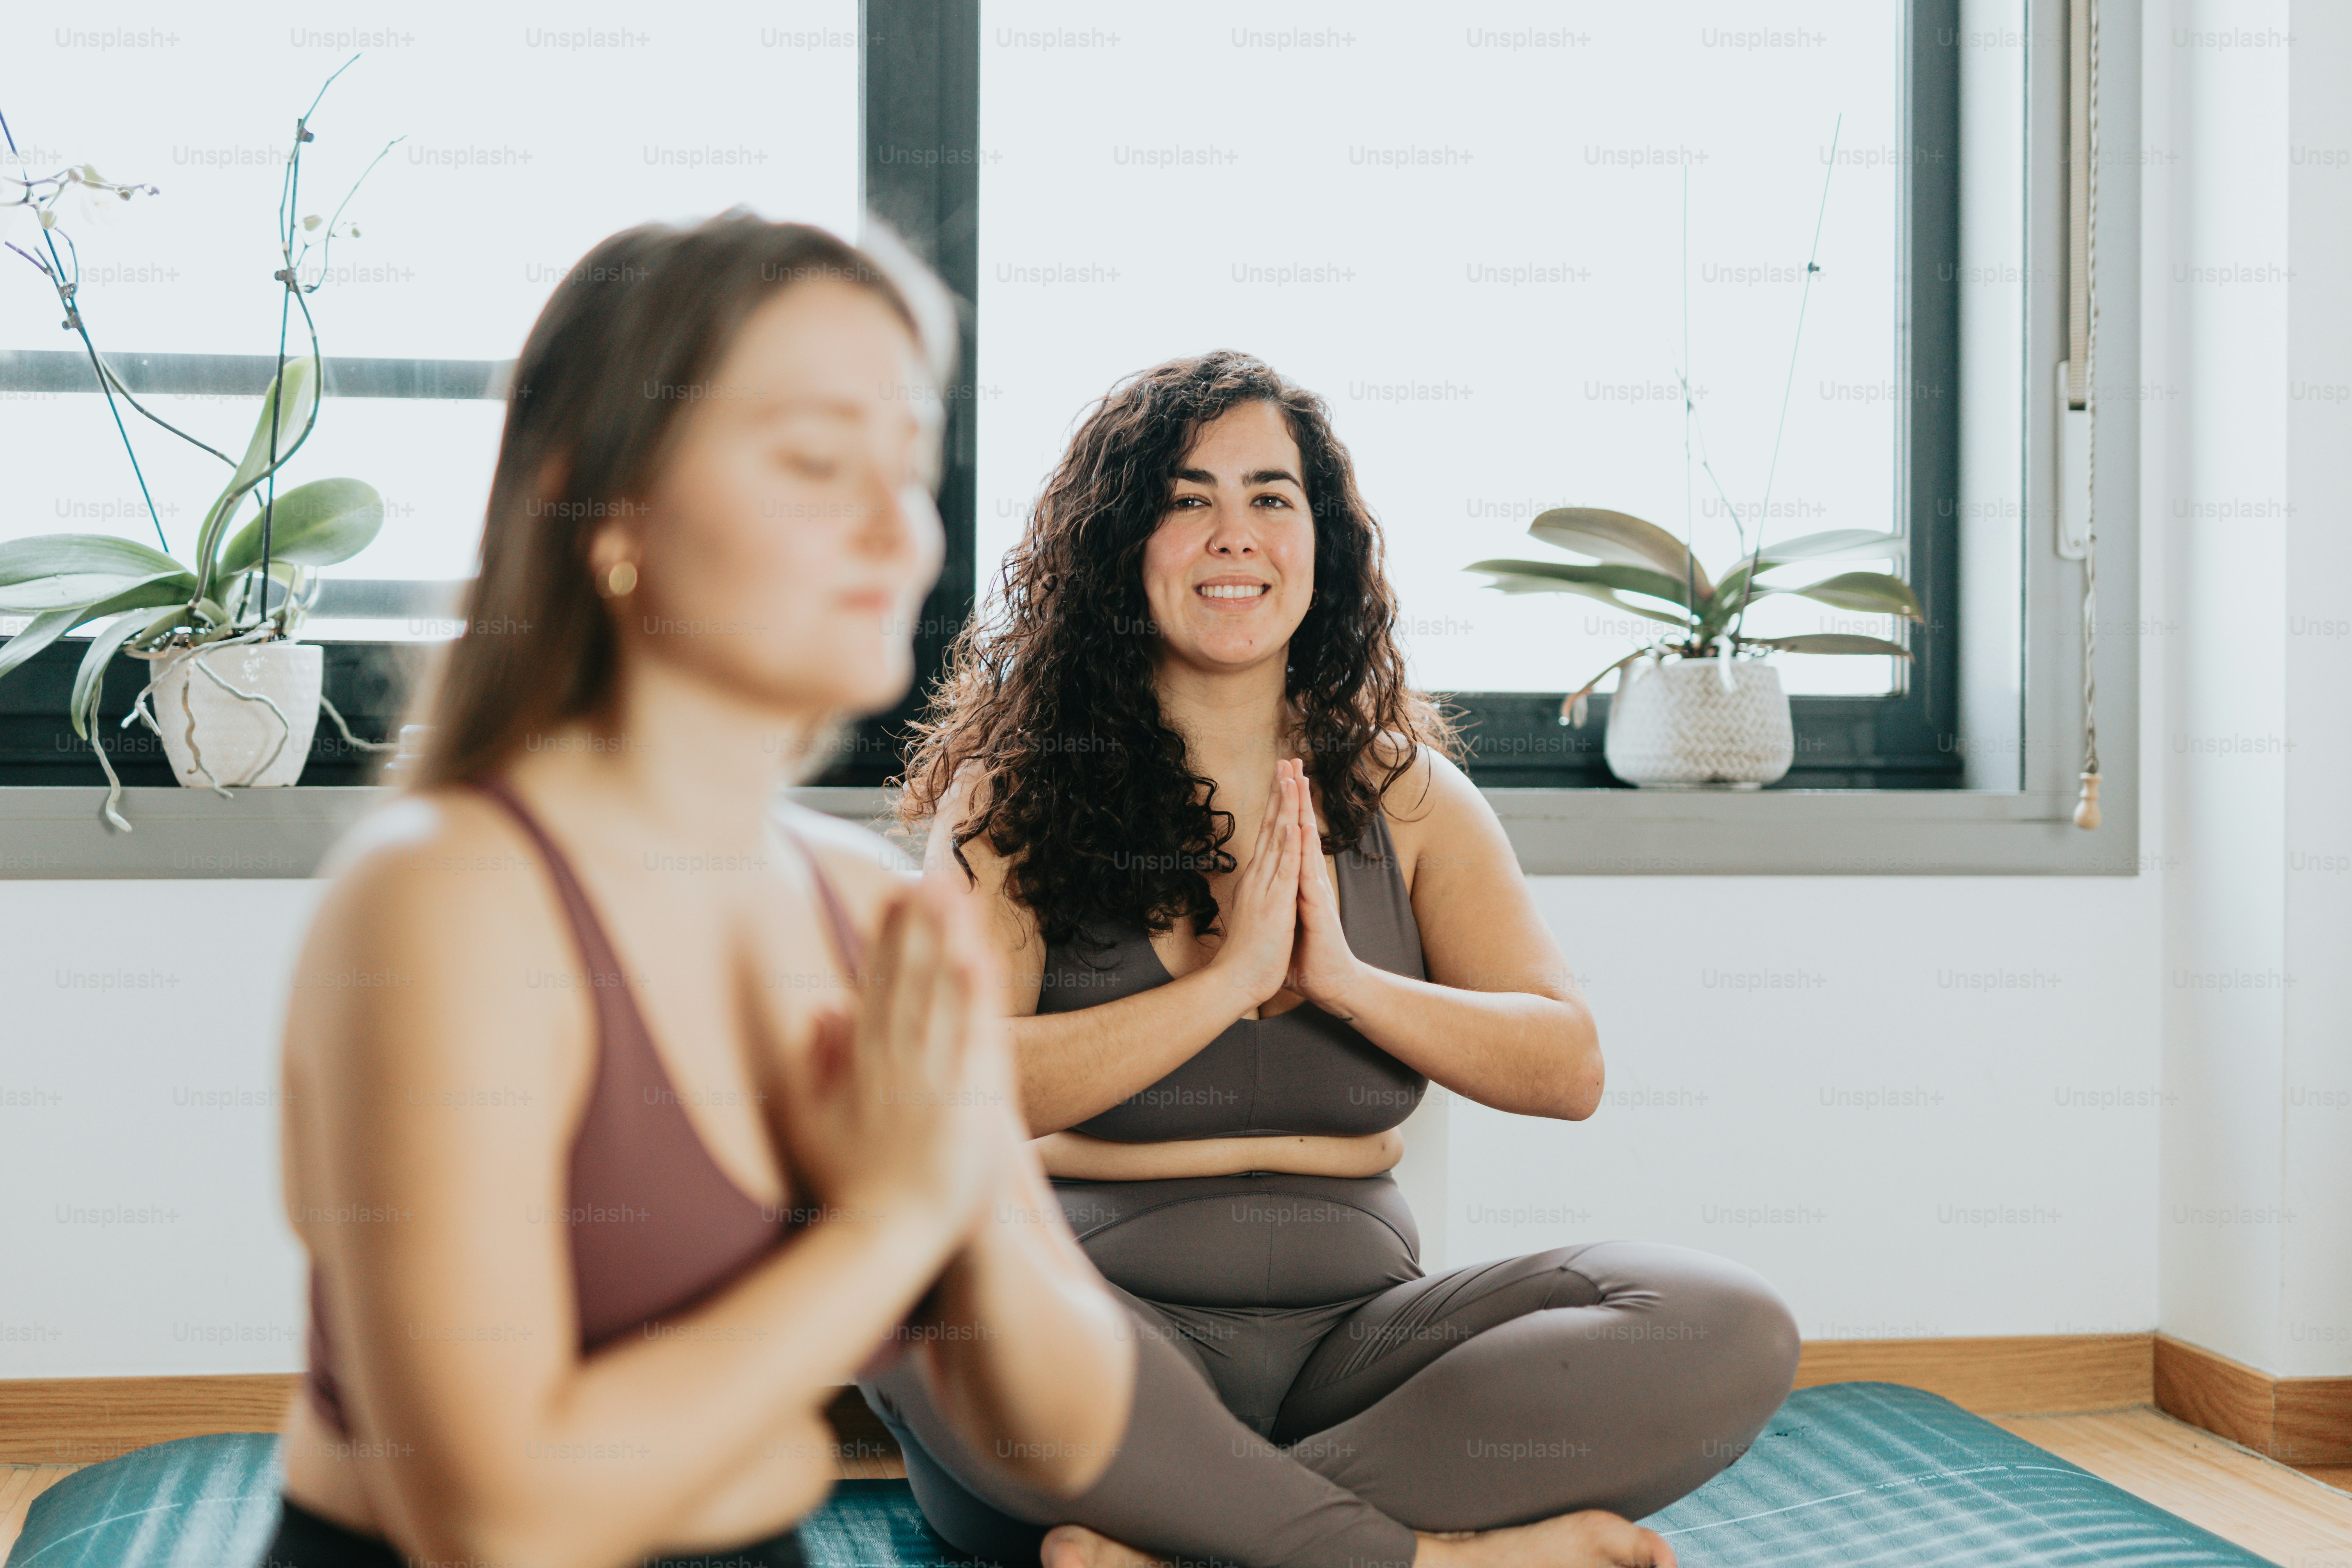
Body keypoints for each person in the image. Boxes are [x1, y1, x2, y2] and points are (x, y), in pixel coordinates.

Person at [268, 214, 1133, 1568]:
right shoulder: (446, 902)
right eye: (812, 461)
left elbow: (1065, 1434)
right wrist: (888, 1223)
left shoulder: (867, 908)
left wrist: (956, 1166)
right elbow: (498, 1520)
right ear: (605, 509)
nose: (894, 529)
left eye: (907, 466)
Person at [880, 350, 1802, 1568]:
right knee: (912, 1284)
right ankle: (1434, 1559)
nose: (1235, 534)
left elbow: (1567, 1064)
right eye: (1186, 497)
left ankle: (1193, 1538)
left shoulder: (1415, 801)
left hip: (1358, 1357)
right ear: (1118, 545)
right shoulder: (1011, 802)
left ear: (1324, 541)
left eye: (1272, 497)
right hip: (1095, 1338)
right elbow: (943, 1096)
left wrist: (1344, 980)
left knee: (1725, 1323)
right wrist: (1223, 985)